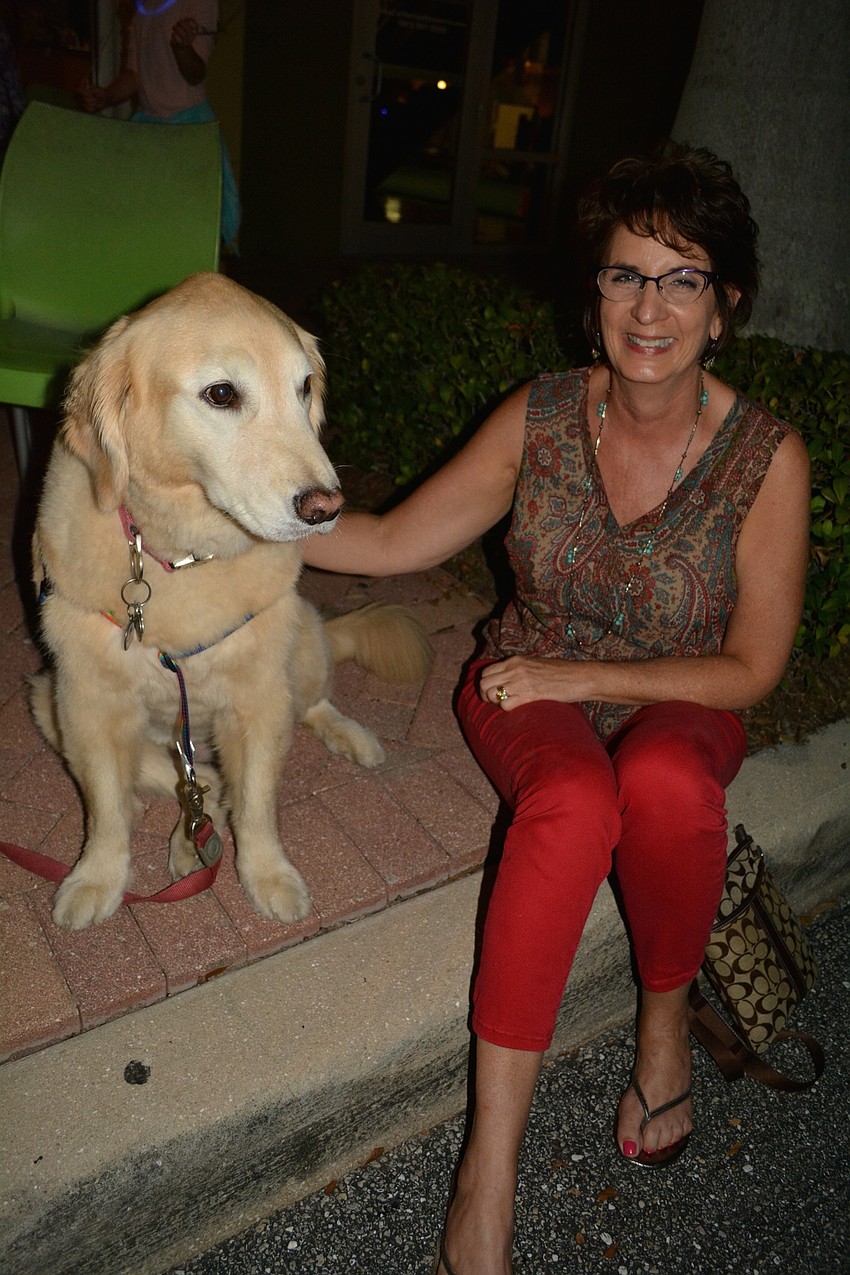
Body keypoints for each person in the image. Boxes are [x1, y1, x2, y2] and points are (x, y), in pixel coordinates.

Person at [302, 142, 811, 1274]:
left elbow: (754, 667)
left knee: (666, 780)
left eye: (681, 279)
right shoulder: (537, 418)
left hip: (675, 694)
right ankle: (488, 1171)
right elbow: (386, 541)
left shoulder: (766, 460)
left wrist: (591, 682)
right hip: (522, 681)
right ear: (592, 294)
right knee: (575, 802)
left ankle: (665, 1020)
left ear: (724, 305)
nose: (649, 306)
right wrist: (225, 517)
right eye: (625, 274)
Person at [79, 0, 240, 251]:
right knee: (145, 229)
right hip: (149, 131)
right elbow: (134, 75)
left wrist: (182, 48)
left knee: (197, 237)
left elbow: (196, 73)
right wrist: (106, 96)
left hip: (188, 130)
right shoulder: (142, 8)